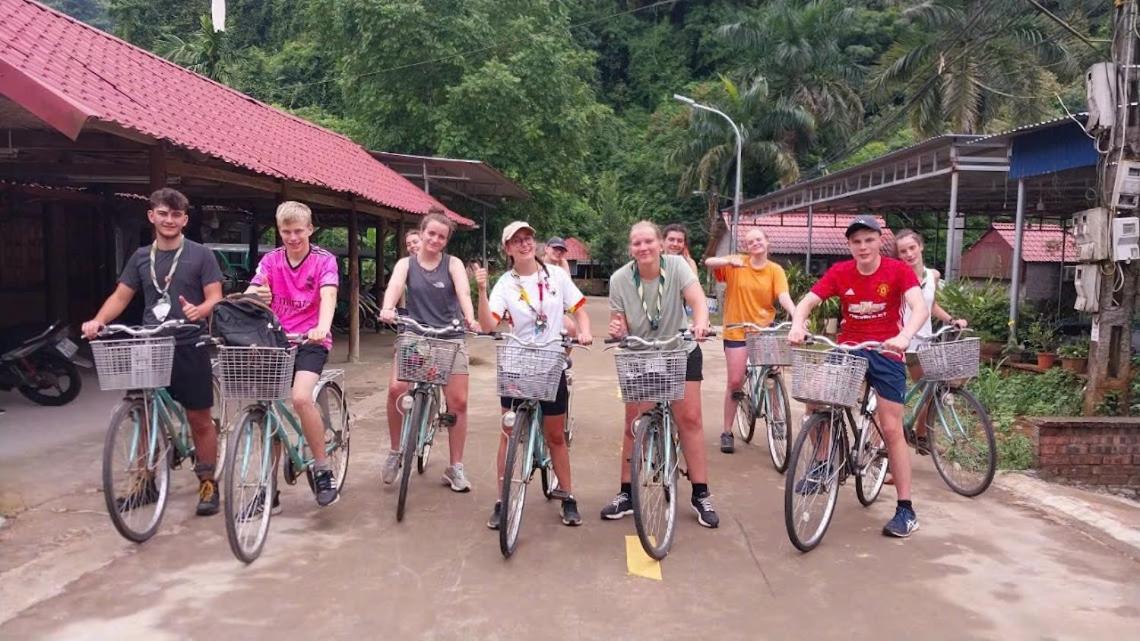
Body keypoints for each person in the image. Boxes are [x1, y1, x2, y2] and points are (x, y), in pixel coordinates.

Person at [82, 188, 224, 516]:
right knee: (144, 414)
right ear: (152, 216)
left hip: (189, 343)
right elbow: (122, 295)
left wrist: (200, 311)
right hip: (150, 343)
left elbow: (215, 296)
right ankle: (145, 481)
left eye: (176, 215)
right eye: (163, 213)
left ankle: (208, 482)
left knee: (198, 418)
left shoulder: (201, 255)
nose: (169, 220)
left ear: (185, 220)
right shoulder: (140, 256)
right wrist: (98, 321)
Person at [787, 215, 929, 538]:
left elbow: (918, 307)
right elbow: (807, 302)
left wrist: (905, 336)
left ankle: (906, 509)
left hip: (887, 351)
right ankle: (824, 461)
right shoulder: (840, 272)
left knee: (892, 428)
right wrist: (798, 323)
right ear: (849, 245)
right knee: (814, 398)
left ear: (880, 241)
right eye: (856, 241)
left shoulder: (898, 271)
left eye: (868, 240)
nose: (863, 246)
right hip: (849, 349)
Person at [474, 222, 593, 528]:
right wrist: (483, 290)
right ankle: (502, 500)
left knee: (555, 435)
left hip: (551, 362)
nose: (525, 244)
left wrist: (585, 331)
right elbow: (488, 325)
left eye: (528, 239)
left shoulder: (556, 276)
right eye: (517, 241)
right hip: (516, 363)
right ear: (508, 249)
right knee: (508, 433)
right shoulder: (504, 284)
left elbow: (579, 308)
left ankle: (567, 495)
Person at [602, 220, 719, 528]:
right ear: (631, 248)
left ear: (659, 243)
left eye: (648, 242)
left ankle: (700, 493)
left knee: (690, 419)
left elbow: (697, 300)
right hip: (640, 354)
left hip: (679, 349)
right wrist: (617, 328)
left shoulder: (678, 266)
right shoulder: (619, 279)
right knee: (633, 423)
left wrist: (701, 322)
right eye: (636, 243)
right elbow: (620, 324)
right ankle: (626, 492)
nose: (643, 248)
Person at [246, 201, 341, 509]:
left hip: (310, 341)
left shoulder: (324, 261)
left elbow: (328, 295)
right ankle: (267, 488)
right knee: (267, 406)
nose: (293, 237)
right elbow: (251, 292)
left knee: (301, 397)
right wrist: (254, 296)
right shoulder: (271, 261)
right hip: (277, 339)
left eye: (298, 230)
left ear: (310, 229)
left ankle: (323, 468)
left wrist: (322, 327)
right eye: (286, 231)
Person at [379, 212, 480, 493]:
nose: (435, 239)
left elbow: (463, 292)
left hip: (450, 335)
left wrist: (470, 318)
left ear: (446, 241)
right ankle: (396, 451)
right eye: (431, 233)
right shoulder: (406, 264)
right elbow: (395, 285)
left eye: (441, 236)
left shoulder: (453, 264)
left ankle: (455, 467)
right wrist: (388, 307)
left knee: (458, 402)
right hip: (415, 333)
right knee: (396, 389)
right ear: (421, 233)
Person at [703, 227, 796, 454]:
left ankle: (777, 418)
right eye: (749, 241)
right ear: (745, 247)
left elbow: (783, 295)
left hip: (763, 331)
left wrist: (796, 314)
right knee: (735, 382)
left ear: (767, 242)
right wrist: (728, 261)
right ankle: (727, 430)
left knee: (773, 373)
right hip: (737, 331)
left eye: (758, 239)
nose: (755, 244)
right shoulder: (737, 264)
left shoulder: (775, 270)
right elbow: (709, 262)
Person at [894, 229, 967, 453]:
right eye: (903, 251)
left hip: (922, 342)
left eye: (912, 248)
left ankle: (921, 436)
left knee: (931, 390)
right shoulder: (897, 276)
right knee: (893, 398)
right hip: (898, 342)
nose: (908, 254)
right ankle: (884, 447)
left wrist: (951, 319)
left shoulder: (932, 275)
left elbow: (930, 305)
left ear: (921, 247)